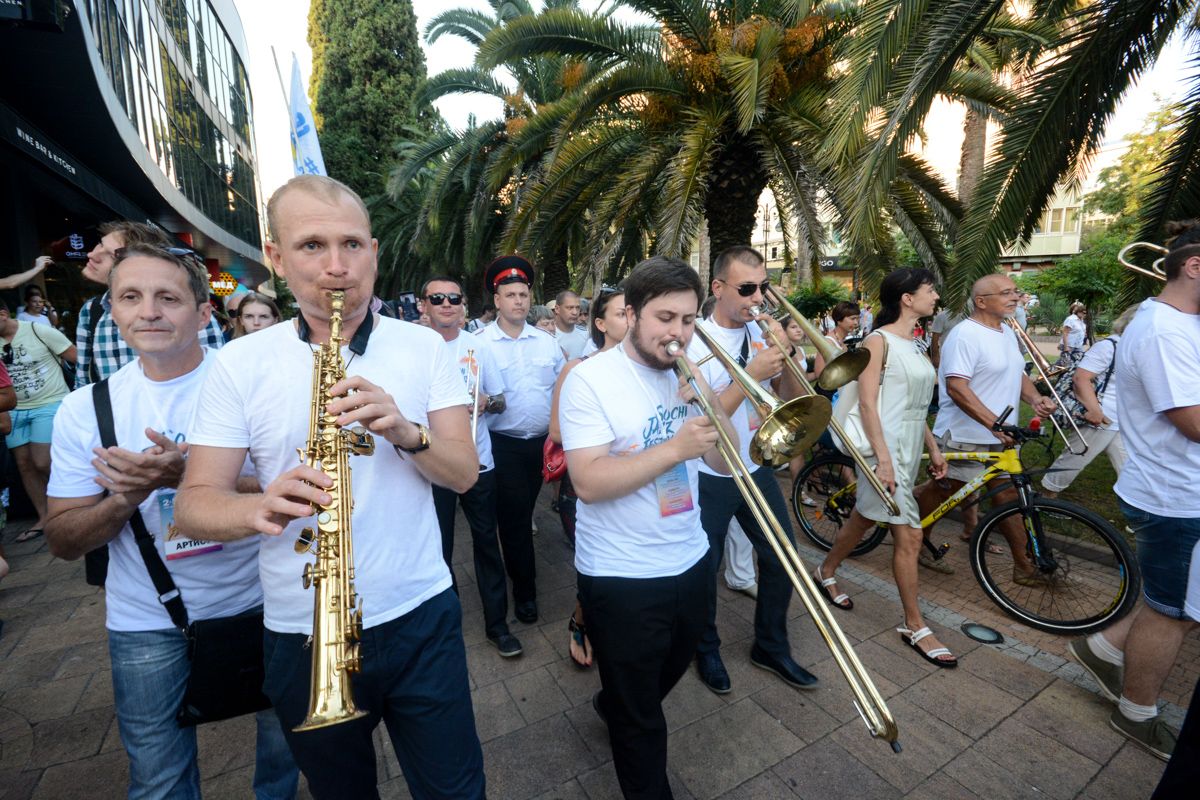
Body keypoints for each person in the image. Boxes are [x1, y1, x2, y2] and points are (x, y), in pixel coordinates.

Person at [174, 175, 486, 798]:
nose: (337, 267)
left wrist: (406, 430)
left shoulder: (425, 347)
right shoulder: (238, 363)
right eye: (312, 246)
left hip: (419, 613)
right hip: (302, 627)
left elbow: (464, 472)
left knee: (456, 789)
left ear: (374, 250)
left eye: (352, 245)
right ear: (276, 257)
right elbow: (193, 505)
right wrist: (258, 505)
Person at [43, 244, 299, 800]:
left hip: (267, 602)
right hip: (147, 620)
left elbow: (303, 485)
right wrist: (124, 497)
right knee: (158, 778)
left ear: (204, 314)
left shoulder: (255, 388)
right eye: (131, 297)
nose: (149, 312)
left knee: (286, 745)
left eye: (168, 298)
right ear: (112, 312)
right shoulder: (86, 409)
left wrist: (194, 476)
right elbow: (62, 539)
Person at [559, 255, 733, 798]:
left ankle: (614, 699)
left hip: (690, 556)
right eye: (665, 318)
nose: (677, 333)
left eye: (687, 320)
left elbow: (724, 464)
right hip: (621, 574)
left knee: (666, 673)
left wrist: (712, 402)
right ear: (630, 314)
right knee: (642, 722)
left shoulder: (688, 373)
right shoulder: (589, 379)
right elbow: (587, 482)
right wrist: (675, 446)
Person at [1065, 221, 1200, 763]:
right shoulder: (1164, 330)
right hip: (1175, 496)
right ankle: (1136, 711)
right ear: (1195, 266)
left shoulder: (1180, 324)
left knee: (1179, 606)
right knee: (1172, 611)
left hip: (1177, 490)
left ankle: (1100, 650)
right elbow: (1190, 419)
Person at [687, 245, 818, 695]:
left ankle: (771, 645)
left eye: (762, 287)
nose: (757, 298)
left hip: (756, 465)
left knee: (784, 557)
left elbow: (789, 393)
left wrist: (787, 356)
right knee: (702, 570)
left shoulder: (760, 334)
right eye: (746, 289)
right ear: (718, 288)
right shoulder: (693, 339)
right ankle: (705, 648)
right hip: (706, 474)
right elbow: (703, 416)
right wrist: (750, 371)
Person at [817, 269, 955, 666]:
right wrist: (881, 460)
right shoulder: (877, 341)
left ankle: (826, 569)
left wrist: (934, 448)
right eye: (929, 290)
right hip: (884, 449)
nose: (935, 296)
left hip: (909, 445)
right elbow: (866, 404)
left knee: (864, 516)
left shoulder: (916, 342)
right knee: (909, 537)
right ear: (907, 298)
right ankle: (915, 625)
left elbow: (915, 405)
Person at [914, 274, 1058, 581]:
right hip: (965, 436)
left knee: (1008, 498)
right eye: (1006, 293)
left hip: (1001, 436)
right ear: (981, 301)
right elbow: (956, 387)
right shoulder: (965, 335)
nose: (1015, 297)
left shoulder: (1006, 331)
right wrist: (991, 422)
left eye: (1015, 292)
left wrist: (1035, 399)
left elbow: (1017, 373)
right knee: (942, 492)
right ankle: (915, 541)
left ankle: (1024, 565)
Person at [423, 274, 522, 658]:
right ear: (424, 305)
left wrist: (485, 403)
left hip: (480, 463)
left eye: (454, 298)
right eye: (438, 298)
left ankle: (498, 625)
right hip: (433, 467)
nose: (447, 304)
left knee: (487, 544)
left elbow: (500, 400)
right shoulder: (414, 348)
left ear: (463, 304)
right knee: (438, 549)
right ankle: (444, 628)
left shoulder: (478, 348)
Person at [480, 255, 566, 624]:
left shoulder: (546, 342)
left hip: (544, 444)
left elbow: (565, 388)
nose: (518, 300)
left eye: (523, 294)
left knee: (531, 510)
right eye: (510, 294)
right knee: (515, 522)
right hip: (505, 445)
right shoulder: (478, 343)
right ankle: (525, 593)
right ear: (497, 300)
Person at [549, 285, 628, 669]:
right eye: (620, 313)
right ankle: (581, 619)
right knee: (596, 573)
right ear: (600, 323)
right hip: (586, 489)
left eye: (634, 311)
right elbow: (557, 432)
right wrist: (611, 439)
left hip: (637, 490)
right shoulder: (578, 369)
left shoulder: (655, 370)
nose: (630, 319)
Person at [77, 221, 224, 388]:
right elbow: (84, 378)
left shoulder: (189, 315)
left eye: (110, 255)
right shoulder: (91, 311)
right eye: (100, 244)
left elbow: (213, 376)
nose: (92, 255)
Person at [1040, 304, 1139, 497]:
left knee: (1130, 466)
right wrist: (1094, 411)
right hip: (1100, 417)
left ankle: (1138, 509)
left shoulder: (1135, 347)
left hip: (1120, 419)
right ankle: (1046, 498)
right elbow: (1080, 379)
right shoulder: (1109, 346)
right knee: (1074, 460)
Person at [1, 301, 75, 542]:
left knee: (42, 461)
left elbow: (75, 357)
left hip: (50, 403)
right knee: (24, 464)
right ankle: (45, 517)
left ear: (3, 314)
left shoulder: (37, 330)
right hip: (13, 410)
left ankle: (74, 506)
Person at [552, 290, 589, 359]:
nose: (575, 312)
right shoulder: (548, 335)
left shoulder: (586, 334)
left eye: (577, 308)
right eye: (570, 308)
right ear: (557, 309)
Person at [1058, 301, 1089, 367]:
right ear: (1078, 312)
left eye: (1085, 313)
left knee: (1078, 361)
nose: (1084, 314)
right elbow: (1065, 333)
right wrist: (1066, 347)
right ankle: (1049, 371)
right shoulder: (1071, 319)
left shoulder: (1081, 321)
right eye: (1083, 312)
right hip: (1069, 345)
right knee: (1065, 364)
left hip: (1078, 345)